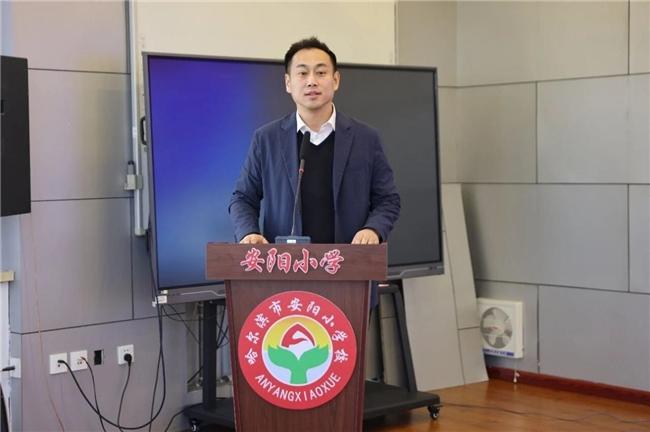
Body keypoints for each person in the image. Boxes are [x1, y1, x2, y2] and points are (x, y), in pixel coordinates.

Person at [229, 37, 400, 247]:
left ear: (335, 80)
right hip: (287, 263)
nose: (312, 81)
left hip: (348, 261)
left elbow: (388, 199)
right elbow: (243, 198)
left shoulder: (365, 138)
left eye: (320, 73)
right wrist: (249, 233)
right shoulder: (266, 139)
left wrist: (373, 229)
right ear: (288, 83)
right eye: (302, 73)